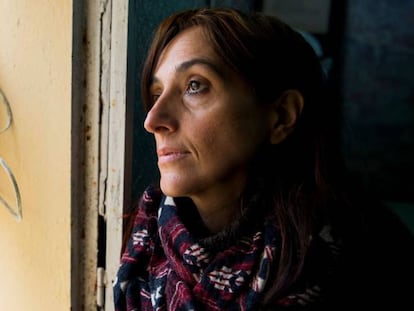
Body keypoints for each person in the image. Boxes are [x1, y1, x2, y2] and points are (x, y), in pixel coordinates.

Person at [113, 7, 414, 310]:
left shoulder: (366, 257)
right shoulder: (143, 243)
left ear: (281, 116)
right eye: (156, 92)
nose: (153, 120)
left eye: (195, 86)